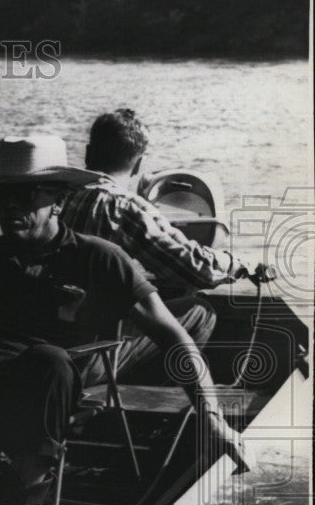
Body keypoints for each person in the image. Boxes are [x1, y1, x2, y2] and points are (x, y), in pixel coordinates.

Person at [0, 135, 252, 505]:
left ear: (59, 201)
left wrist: (212, 419)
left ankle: (27, 495)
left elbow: (174, 337)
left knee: (50, 361)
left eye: (26, 195)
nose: (11, 205)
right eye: (1, 194)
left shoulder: (99, 260)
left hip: (41, 395)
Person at [59, 109, 272, 384]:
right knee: (200, 311)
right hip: (88, 360)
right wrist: (243, 265)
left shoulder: (59, 198)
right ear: (139, 166)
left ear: (88, 154)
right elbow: (198, 270)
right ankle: (159, 405)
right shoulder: (124, 206)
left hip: (51, 347)